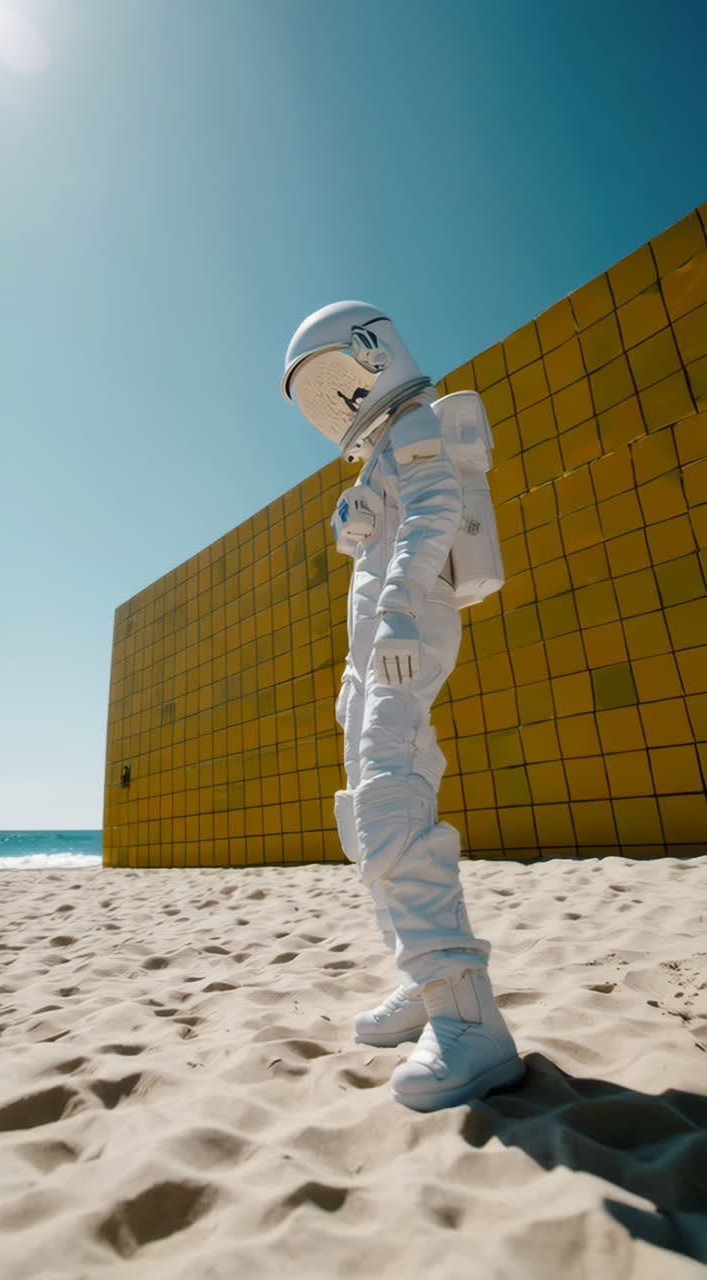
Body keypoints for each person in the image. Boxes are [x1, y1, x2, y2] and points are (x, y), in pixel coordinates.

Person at [282, 302, 525, 1111]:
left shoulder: (416, 425)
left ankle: (467, 1015)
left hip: (408, 623)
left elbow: (436, 509)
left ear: (370, 353)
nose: (331, 402)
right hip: (380, 642)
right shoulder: (382, 450)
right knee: (366, 807)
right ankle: (425, 984)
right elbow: (394, 527)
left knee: (390, 799)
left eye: (334, 379)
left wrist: (397, 605)